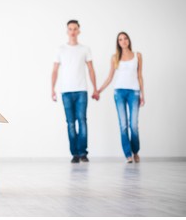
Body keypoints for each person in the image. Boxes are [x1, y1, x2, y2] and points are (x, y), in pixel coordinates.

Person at [51, 20, 99, 163]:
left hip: (81, 91)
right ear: (67, 31)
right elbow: (55, 70)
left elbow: (91, 69)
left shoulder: (85, 49)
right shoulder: (60, 49)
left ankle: (83, 153)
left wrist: (95, 88)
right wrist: (52, 89)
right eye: (70, 29)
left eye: (75, 29)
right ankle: (75, 154)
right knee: (70, 123)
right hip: (66, 91)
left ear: (79, 31)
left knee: (82, 121)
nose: (72, 31)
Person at [97, 31, 145, 163]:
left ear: (128, 40)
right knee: (123, 125)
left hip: (134, 92)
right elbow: (110, 77)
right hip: (119, 93)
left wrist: (142, 94)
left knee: (133, 125)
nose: (123, 41)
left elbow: (140, 76)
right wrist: (99, 90)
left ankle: (135, 151)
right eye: (120, 40)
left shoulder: (137, 55)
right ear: (118, 43)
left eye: (125, 39)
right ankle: (128, 154)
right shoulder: (115, 57)